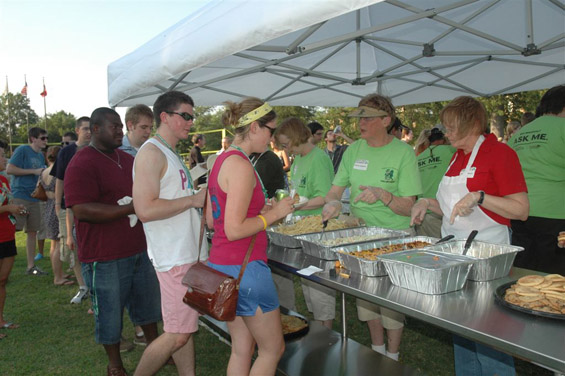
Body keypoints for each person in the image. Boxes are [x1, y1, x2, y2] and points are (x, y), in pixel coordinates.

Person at [410, 96, 528, 376]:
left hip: (489, 257)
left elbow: (521, 209)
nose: (445, 132)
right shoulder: (457, 156)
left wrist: (481, 197)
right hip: (455, 256)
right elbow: (453, 209)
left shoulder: (500, 154)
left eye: (451, 127)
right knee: (461, 329)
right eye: (445, 126)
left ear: (474, 124)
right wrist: (426, 203)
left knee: (489, 332)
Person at [322, 94, 422, 361]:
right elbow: (335, 191)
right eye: (359, 117)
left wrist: (383, 195)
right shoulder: (353, 151)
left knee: (390, 301)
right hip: (360, 236)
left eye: (366, 117)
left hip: (395, 237)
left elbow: (409, 208)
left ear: (385, 120)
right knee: (366, 299)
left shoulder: (403, 153)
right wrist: (331, 205)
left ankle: (392, 354)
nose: (361, 123)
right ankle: (377, 349)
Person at [65, 108, 161, 376]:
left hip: (138, 248)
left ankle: (158, 351)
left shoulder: (127, 159)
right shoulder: (82, 162)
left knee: (148, 307)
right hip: (103, 255)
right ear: (95, 129)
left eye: (121, 126)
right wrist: (129, 209)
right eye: (114, 127)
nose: (120, 131)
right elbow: (81, 209)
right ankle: (115, 365)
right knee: (109, 313)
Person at [206, 97, 294, 375]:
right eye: (271, 131)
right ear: (255, 127)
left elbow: (212, 219)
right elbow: (234, 229)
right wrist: (275, 213)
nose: (273, 139)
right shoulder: (242, 166)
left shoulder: (221, 161)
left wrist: (259, 210)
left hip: (222, 265)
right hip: (246, 269)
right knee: (272, 349)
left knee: (242, 348)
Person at [132, 91, 207, 376]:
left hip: (185, 252)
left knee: (183, 328)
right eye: (185, 116)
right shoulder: (151, 153)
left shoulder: (168, 151)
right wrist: (192, 200)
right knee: (176, 334)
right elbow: (145, 209)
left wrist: (193, 194)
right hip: (173, 255)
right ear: (164, 116)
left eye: (192, 117)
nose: (190, 122)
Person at [275, 117, 336, 329]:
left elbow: (326, 197)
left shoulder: (318, 158)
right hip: (303, 230)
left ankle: (327, 338)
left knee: (320, 291)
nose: (284, 149)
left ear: (295, 137)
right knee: (309, 287)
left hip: (318, 229)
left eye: (285, 144)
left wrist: (297, 206)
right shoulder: (299, 159)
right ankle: (319, 332)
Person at [509, 85, 565, 274]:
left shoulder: (519, 135)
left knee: (524, 272)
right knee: (555, 279)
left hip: (518, 212)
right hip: (556, 214)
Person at [51, 117, 90, 304]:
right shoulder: (66, 152)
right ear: (77, 130)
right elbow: (59, 179)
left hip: (91, 207)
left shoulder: (98, 149)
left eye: (91, 128)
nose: (88, 132)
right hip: (69, 207)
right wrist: (58, 204)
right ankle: (83, 286)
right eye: (85, 129)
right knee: (71, 244)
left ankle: (93, 285)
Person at [6, 127, 48, 276]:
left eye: (46, 138)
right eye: (43, 138)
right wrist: (32, 171)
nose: (46, 141)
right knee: (13, 228)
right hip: (20, 196)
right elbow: (9, 169)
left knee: (32, 232)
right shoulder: (23, 150)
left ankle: (31, 267)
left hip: (34, 197)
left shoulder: (41, 156)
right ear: (33, 138)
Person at [0, 140, 25, 337]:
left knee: (2, 279)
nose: (4, 159)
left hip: (7, 235)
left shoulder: (4, 180)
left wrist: (16, 208)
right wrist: (9, 208)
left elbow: (8, 202)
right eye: (1, 156)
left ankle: (1, 320)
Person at [39, 145, 73, 286]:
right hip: (57, 207)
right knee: (58, 243)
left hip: (48, 207)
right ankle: (58, 277)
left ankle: (59, 273)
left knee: (53, 244)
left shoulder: (43, 172)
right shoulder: (56, 172)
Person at [414, 126, 456, 238]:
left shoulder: (418, 158)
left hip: (421, 210)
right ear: (443, 139)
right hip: (441, 210)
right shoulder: (452, 151)